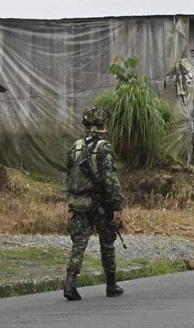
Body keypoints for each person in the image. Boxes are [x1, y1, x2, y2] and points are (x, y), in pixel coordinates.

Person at [63, 107, 125, 301]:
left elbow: (69, 175)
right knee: (107, 243)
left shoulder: (75, 147)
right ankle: (111, 285)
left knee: (78, 244)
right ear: (101, 126)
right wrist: (117, 206)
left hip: (78, 203)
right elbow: (109, 179)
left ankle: (70, 284)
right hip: (99, 204)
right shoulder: (104, 148)